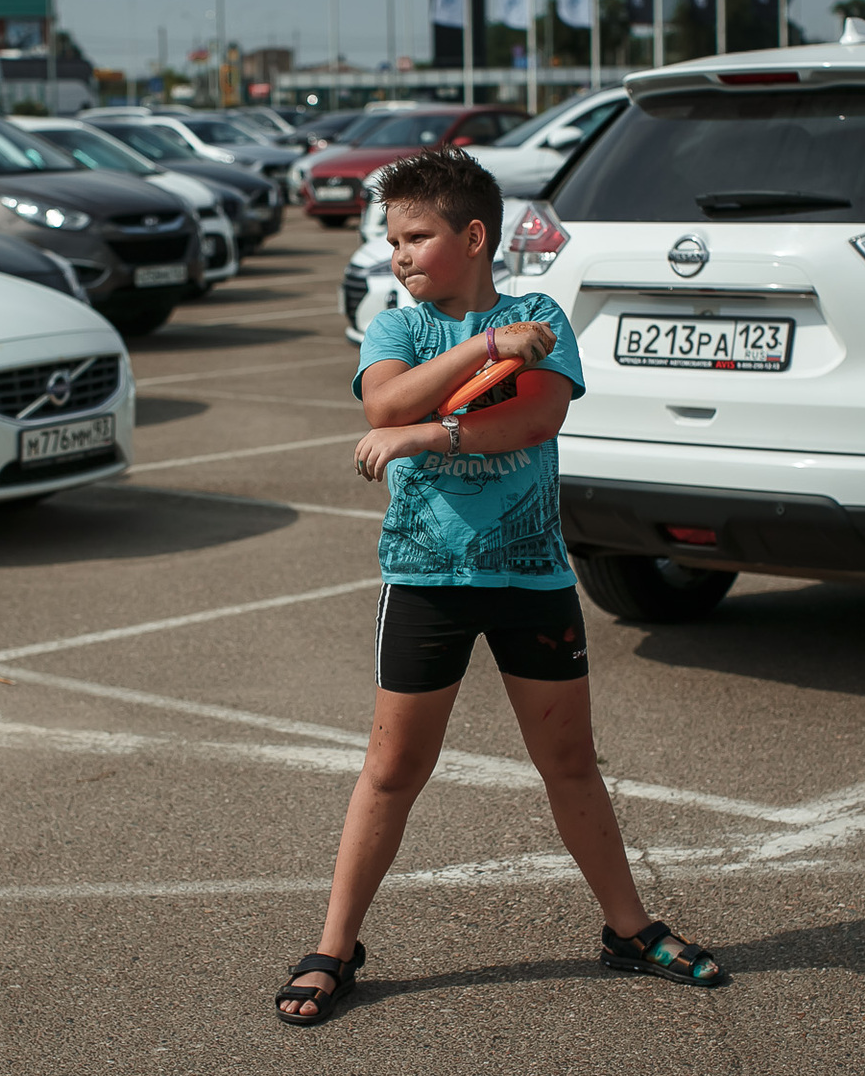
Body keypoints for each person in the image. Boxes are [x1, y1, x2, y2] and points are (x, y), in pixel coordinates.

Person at [274, 148, 726, 1026]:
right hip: (425, 580)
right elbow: (383, 406)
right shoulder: (398, 329)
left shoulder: (538, 315)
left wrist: (431, 435)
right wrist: (484, 349)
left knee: (570, 765)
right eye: (392, 240)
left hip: (531, 579)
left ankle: (629, 929)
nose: (399, 255)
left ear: (474, 237)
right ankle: (334, 948)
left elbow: (537, 417)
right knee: (391, 771)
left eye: (416, 236)